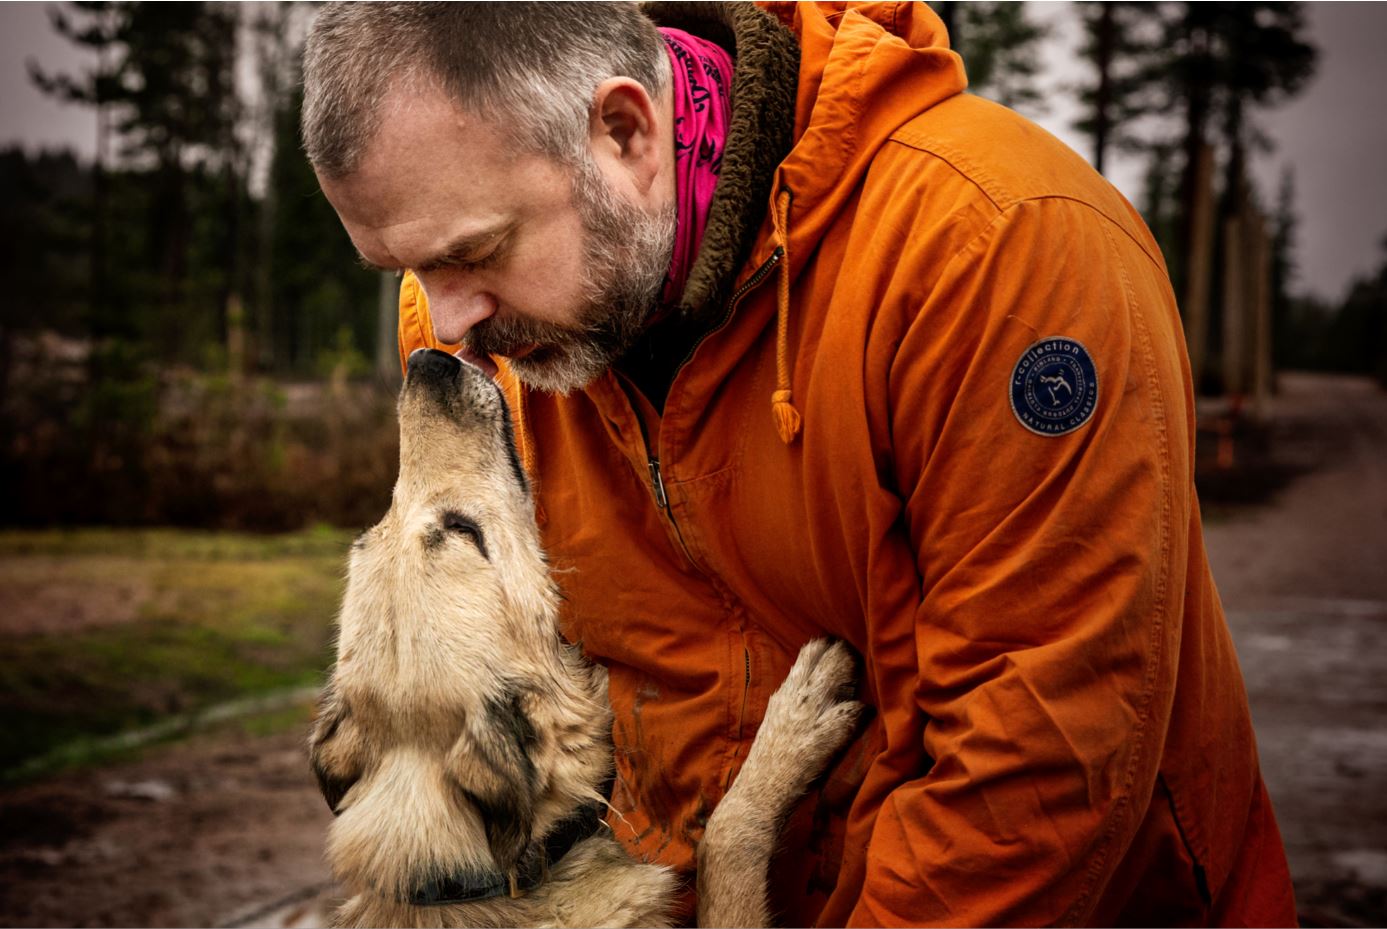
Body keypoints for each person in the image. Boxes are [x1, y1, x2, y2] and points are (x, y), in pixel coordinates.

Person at [302, 3, 1297, 925]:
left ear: (625, 132)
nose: (446, 322)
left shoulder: (992, 249)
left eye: (476, 249)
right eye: (408, 270)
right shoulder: (477, 325)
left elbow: (1034, 761)